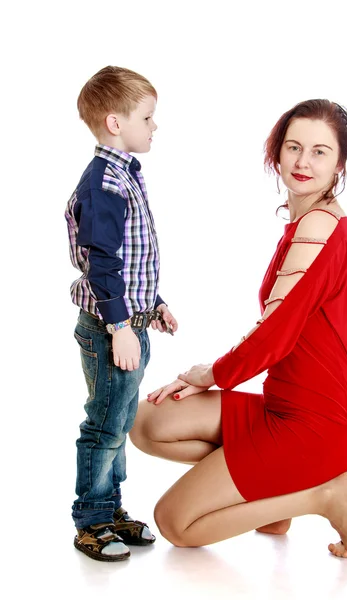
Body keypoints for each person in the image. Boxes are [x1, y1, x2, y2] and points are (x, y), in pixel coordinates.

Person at [130, 99, 347, 559]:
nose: (302, 161)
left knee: (175, 522)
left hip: (316, 428)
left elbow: (273, 335)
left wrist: (210, 374)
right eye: (293, 147)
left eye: (319, 151)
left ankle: (324, 495)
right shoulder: (306, 222)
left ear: (339, 163)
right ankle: (269, 500)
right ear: (276, 153)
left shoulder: (320, 229)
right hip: (281, 407)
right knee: (147, 423)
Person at [65, 66, 178, 562]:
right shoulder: (104, 184)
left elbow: (134, 259)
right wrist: (117, 327)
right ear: (116, 122)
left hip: (130, 324)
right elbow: (103, 263)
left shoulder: (125, 174)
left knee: (120, 420)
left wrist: (153, 308)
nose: (155, 126)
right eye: (148, 117)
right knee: (104, 426)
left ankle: (110, 509)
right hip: (112, 330)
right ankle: (91, 520)